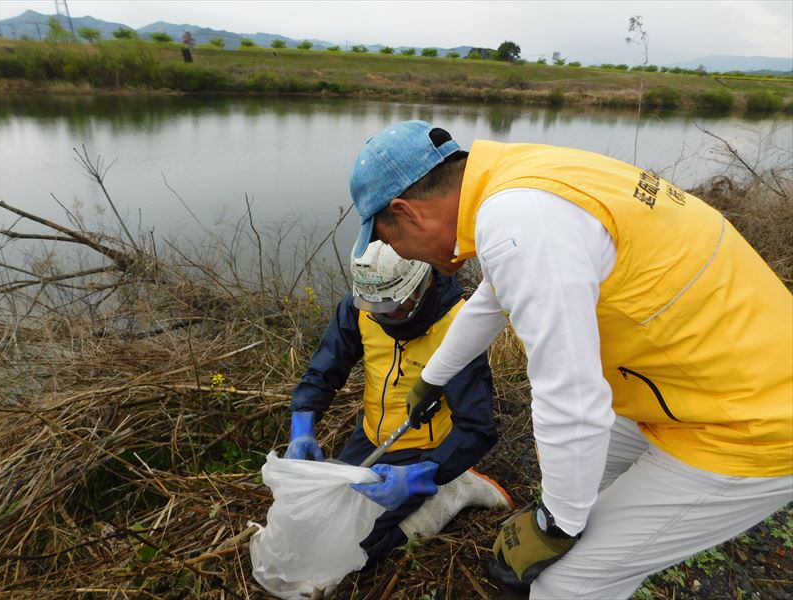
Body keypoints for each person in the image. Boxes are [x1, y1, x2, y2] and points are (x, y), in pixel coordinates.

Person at [348, 120, 793, 598]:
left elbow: (571, 396)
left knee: (568, 583)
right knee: (583, 487)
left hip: (750, 418)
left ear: (406, 212)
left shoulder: (521, 225)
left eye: (392, 242)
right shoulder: (514, 181)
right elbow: (493, 296)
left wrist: (557, 527)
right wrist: (434, 378)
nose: (404, 254)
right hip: (691, 376)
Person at [285, 240, 513, 568]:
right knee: (315, 521)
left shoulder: (459, 326)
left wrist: (425, 472)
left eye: (394, 307)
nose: (382, 316)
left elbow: (478, 427)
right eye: (373, 306)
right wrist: (302, 424)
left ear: (423, 284)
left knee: (361, 551)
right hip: (371, 438)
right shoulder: (360, 308)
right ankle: (442, 483)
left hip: (424, 452)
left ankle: (452, 489)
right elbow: (324, 369)